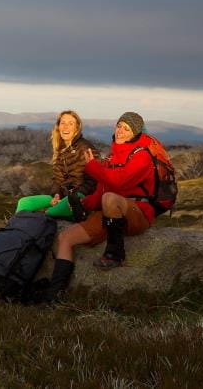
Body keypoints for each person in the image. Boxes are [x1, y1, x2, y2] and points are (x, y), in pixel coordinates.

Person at [37, 112, 156, 303]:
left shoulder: (142, 156)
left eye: (127, 129)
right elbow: (100, 191)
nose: (120, 131)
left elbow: (118, 183)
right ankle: (55, 295)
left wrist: (92, 166)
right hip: (110, 214)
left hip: (137, 213)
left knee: (110, 198)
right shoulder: (112, 157)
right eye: (119, 126)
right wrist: (81, 203)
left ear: (136, 133)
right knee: (65, 238)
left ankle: (115, 254)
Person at [15, 110, 100, 219]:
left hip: (80, 197)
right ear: (58, 126)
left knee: (50, 213)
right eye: (63, 123)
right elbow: (57, 179)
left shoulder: (86, 148)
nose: (66, 127)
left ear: (77, 127)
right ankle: (14, 231)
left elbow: (94, 180)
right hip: (63, 196)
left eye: (70, 123)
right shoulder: (60, 149)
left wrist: (72, 197)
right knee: (24, 203)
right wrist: (56, 194)